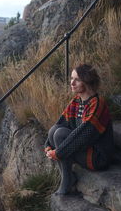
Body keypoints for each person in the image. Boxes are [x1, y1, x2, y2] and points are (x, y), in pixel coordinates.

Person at [45, 64, 114, 195]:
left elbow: (84, 134)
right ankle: (68, 177)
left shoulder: (98, 103)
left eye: (77, 79)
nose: (72, 82)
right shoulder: (77, 101)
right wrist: (48, 146)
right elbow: (61, 122)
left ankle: (67, 180)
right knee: (55, 130)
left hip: (97, 156)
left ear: (87, 81)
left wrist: (58, 152)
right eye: (71, 78)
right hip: (84, 147)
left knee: (60, 134)